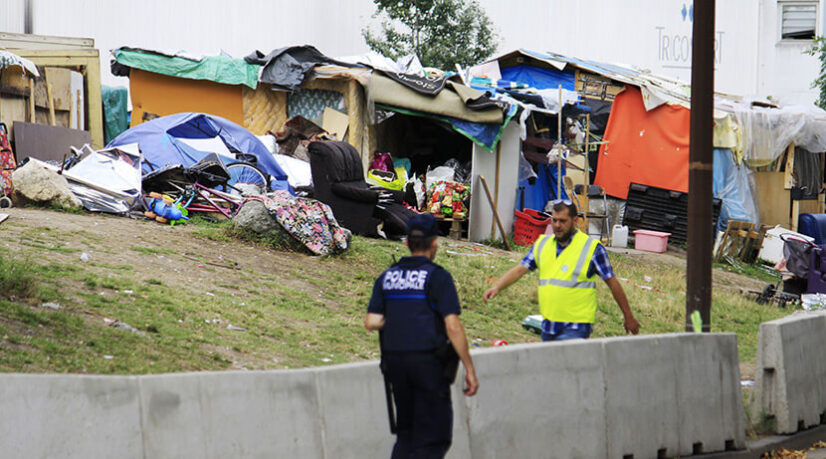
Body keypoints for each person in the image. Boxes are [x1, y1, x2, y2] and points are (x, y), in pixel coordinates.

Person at [365, 213, 478, 458]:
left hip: (395, 364)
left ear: (407, 242)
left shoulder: (387, 277)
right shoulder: (437, 277)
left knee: (406, 435)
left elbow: (372, 322)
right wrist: (469, 368)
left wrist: (399, 317)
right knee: (433, 438)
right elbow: (453, 327)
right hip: (428, 365)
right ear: (434, 243)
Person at [483, 199, 641, 341]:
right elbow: (520, 269)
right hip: (549, 324)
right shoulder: (542, 244)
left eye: (563, 221)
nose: (557, 225)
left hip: (576, 326)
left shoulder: (592, 248)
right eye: (554, 220)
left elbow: (612, 283)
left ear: (575, 221)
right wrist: (497, 287)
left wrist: (628, 316)